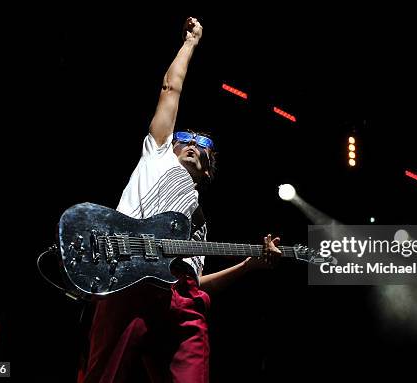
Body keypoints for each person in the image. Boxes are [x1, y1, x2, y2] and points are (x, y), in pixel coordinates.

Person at [79, 17, 282, 383]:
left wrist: (248, 266)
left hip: (184, 302)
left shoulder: (199, 220)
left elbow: (196, 281)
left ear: (207, 171)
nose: (192, 144)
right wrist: (191, 43)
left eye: (204, 146)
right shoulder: (157, 155)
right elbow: (170, 88)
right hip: (130, 277)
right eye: (185, 137)